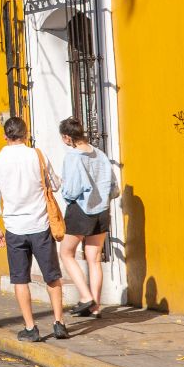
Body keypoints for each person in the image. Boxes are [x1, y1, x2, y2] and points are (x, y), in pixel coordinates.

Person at [0, 116, 68, 342]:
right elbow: (56, 184)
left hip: (14, 228)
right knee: (52, 276)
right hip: (40, 225)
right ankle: (59, 322)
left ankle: (31, 327)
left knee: (20, 279)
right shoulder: (37, 155)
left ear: (5, 136)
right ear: (26, 134)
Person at [54, 118, 118, 319]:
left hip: (80, 211)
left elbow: (72, 191)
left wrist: (63, 187)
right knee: (94, 259)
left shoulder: (73, 156)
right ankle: (95, 306)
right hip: (101, 212)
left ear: (67, 137)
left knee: (66, 253)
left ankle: (85, 296)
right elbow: (114, 188)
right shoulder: (100, 154)